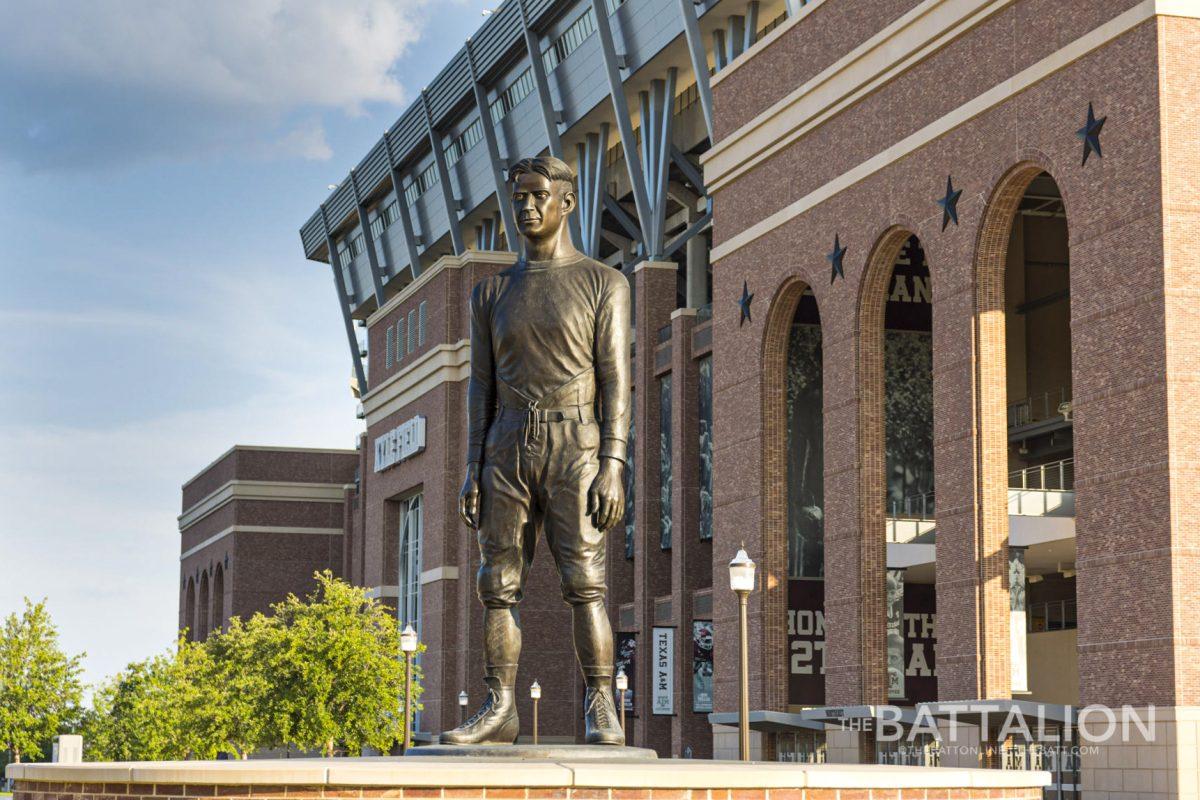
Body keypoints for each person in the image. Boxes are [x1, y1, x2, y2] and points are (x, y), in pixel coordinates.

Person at [440, 155, 631, 746]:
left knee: (586, 583)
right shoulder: (490, 291)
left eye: (537, 195)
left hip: (577, 444)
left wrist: (614, 464)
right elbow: (480, 385)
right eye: (518, 197)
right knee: (496, 582)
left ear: (566, 203)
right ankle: (500, 706)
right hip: (505, 447)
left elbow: (616, 378)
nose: (525, 206)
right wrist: (472, 466)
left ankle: (602, 702)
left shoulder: (604, 283)